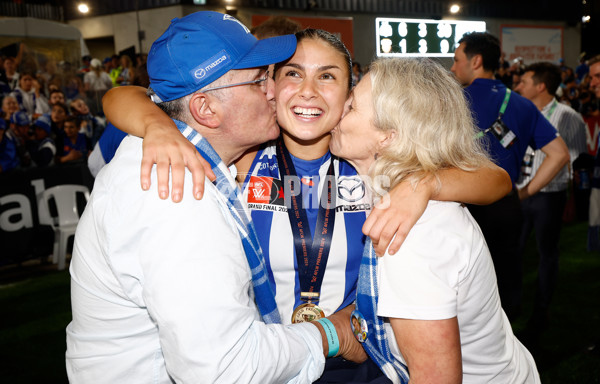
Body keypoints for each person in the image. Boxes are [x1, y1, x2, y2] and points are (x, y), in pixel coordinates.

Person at [66, 11, 366, 383]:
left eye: (327, 76)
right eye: (261, 80)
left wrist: (155, 122)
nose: (273, 90)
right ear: (205, 109)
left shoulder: (193, 156)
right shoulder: (179, 186)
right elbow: (226, 368)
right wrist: (331, 333)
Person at [332, 57, 540, 383]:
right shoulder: (401, 192)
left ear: (388, 136)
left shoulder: (411, 236)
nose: (339, 108)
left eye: (352, 105)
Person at [450, 32, 570, 320]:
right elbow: (560, 154)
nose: (453, 68)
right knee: (504, 283)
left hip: (462, 206)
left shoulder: (452, 101)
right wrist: (524, 192)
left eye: (456, 60)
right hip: (507, 205)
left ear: (475, 61)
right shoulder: (522, 104)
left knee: (460, 289)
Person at [514, 62, 588, 339]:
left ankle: (541, 310)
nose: (518, 86)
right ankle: (512, 306)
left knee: (547, 253)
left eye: (524, 82)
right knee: (514, 252)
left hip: (550, 196)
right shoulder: (520, 111)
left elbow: (575, 156)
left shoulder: (569, 116)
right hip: (519, 191)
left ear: (540, 86)